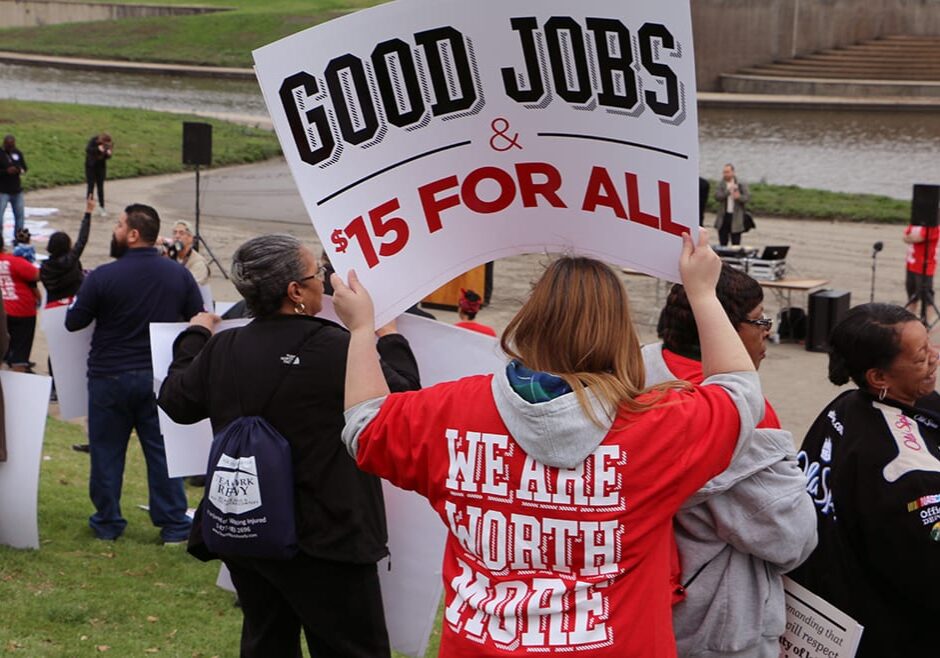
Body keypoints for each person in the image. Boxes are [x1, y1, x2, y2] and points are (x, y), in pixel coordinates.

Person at [335, 230, 764, 656]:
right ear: (619, 333)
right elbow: (741, 394)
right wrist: (702, 294)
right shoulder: (657, 428)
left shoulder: (452, 412)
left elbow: (364, 425)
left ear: (531, 320)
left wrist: (360, 331)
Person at [158, 234, 421, 657]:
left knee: (266, 641)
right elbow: (402, 402)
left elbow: (176, 400)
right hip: (328, 536)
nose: (325, 282)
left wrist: (193, 336)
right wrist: (379, 334)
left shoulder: (223, 345)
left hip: (248, 530)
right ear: (295, 291)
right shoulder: (336, 346)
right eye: (317, 275)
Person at [643, 265, 817, 657]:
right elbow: (792, 539)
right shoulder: (747, 420)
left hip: (641, 607)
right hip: (716, 627)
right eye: (760, 321)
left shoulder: (631, 376)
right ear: (723, 328)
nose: (767, 330)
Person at [790, 303, 940, 658]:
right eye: (920, 357)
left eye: (930, 345)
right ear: (879, 377)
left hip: (826, 612)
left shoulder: (843, 407)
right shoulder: (907, 470)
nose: (934, 357)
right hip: (886, 631)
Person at [65, 203, 202, 543]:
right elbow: (199, 317)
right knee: (161, 452)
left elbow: (74, 321)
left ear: (134, 233)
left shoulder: (103, 276)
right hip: (158, 376)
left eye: (119, 225)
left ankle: (108, 522)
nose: (116, 230)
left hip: (109, 376)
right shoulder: (178, 274)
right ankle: (173, 523)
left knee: (107, 451)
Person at [41, 196, 94, 308]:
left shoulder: (44, 267)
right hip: (72, 304)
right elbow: (82, 240)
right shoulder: (70, 261)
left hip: (53, 306)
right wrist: (88, 213)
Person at [0, 233, 40, 372]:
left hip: (3, 311)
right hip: (22, 311)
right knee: (20, 357)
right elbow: (36, 275)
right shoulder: (14, 261)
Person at [902, 220, 939, 318]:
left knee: (926, 297)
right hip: (911, 263)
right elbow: (905, 237)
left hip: (925, 265)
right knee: (911, 293)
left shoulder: (933, 225)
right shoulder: (915, 223)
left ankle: (926, 323)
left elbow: (920, 237)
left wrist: (911, 238)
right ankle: (911, 319)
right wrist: (910, 238)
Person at [713, 164, 749, 247]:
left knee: (736, 243)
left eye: (727, 172)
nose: (725, 174)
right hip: (724, 217)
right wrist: (728, 192)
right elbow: (717, 196)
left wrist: (739, 197)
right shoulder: (721, 184)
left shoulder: (741, 184)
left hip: (736, 218)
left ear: (733, 172)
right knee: (723, 242)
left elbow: (747, 198)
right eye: (724, 172)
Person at [0, 135, 27, 239]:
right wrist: (6, 172)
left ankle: (19, 240)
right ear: (4, 144)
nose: (11, 148)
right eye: (9, 146)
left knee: (20, 217)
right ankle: (0, 242)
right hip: (2, 191)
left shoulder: (17, 153)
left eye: (13, 146)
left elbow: (25, 168)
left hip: (17, 190)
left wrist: (19, 170)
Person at [169, 220, 209, 286]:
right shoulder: (170, 256)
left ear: (190, 238)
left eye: (181, 233)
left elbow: (190, 288)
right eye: (174, 233)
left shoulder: (198, 262)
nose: (177, 236)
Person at [85, 133, 113, 215]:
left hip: (100, 167)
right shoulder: (94, 141)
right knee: (91, 187)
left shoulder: (108, 145)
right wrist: (98, 149)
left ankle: (102, 207)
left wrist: (108, 154)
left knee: (100, 187)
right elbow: (88, 150)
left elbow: (107, 157)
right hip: (91, 167)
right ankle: (89, 207)